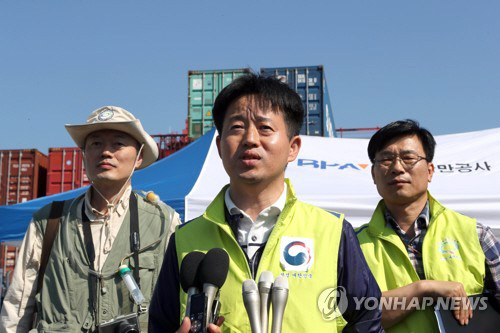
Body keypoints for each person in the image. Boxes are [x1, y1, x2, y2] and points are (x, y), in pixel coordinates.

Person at [149, 73, 384, 333]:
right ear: (219, 146)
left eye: (265, 128)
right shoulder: (185, 239)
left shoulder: (333, 232)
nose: (250, 139)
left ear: (293, 147)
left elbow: (367, 321)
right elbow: (160, 324)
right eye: (236, 127)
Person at [0, 106, 180, 332]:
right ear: (84, 154)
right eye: (95, 143)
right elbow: (17, 307)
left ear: (139, 156)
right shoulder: (48, 221)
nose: (106, 152)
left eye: (118, 143)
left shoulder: (165, 221)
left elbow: (177, 303)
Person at [356, 119, 500, 332]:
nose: (397, 168)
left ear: (430, 170)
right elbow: (353, 319)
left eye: (408, 158)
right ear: (373, 174)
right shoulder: (353, 244)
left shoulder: (476, 234)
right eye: (386, 160)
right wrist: (422, 289)